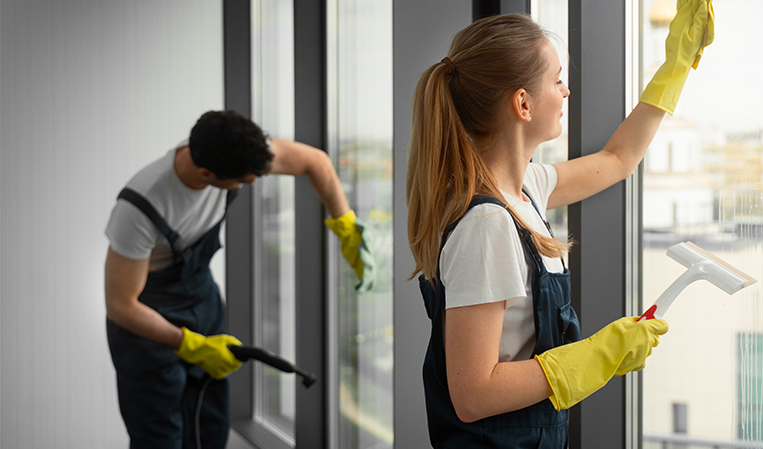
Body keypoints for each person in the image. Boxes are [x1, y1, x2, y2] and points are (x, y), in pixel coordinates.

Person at [407, 2, 713, 447]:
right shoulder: (488, 224)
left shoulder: (524, 188)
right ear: (523, 103)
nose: (566, 92)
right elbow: (472, 394)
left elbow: (618, 160)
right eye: (557, 80)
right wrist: (596, 356)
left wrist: (676, 65)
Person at [104, 110, 374, 448]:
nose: (250, 183)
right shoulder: (140, 207)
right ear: (207, 174)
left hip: (202, 303)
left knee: (210, 427)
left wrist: (346, 227)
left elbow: (315, 162)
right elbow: (120, 305)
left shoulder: (234, 150)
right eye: (244, 181)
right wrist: (190, 344)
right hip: (145, 329)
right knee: (160, 439)